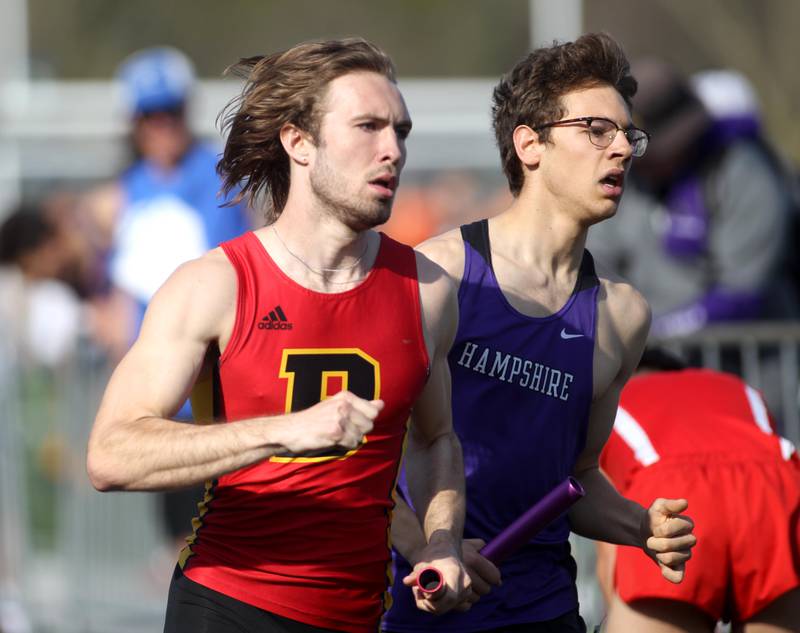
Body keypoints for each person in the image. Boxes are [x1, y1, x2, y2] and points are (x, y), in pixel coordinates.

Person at [86, 37, 471, 633]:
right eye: (367, 126)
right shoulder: (214, 285)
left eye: (400, 130)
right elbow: (111, 455)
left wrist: (438, 542)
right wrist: (282, 431)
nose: (392, 150)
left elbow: (433, 441)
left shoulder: (429, 290)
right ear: (298, 142)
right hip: (227, 605)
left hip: (362, 614)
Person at [383, 33, 696, 633]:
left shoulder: (622, 315)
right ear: (530, 144)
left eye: (629, 134)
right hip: (421, 606)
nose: (623, 151)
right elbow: (365, 461)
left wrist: (640, 527)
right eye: (596, 130)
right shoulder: (439, 272)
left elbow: (577, 478)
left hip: (544, 610)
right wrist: (428, 550)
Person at [586, 60, 798, 338]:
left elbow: (743, 292)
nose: (627, 156)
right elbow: (597, 263)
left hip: (746, 364)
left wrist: (655, 333)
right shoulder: (625, 180)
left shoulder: (743, 173)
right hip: (648, 366)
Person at [596, 348, 800, 632]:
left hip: (672, 488)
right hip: (774, 486)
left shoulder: (609, 399)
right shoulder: (735, 387)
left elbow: (611, 541)